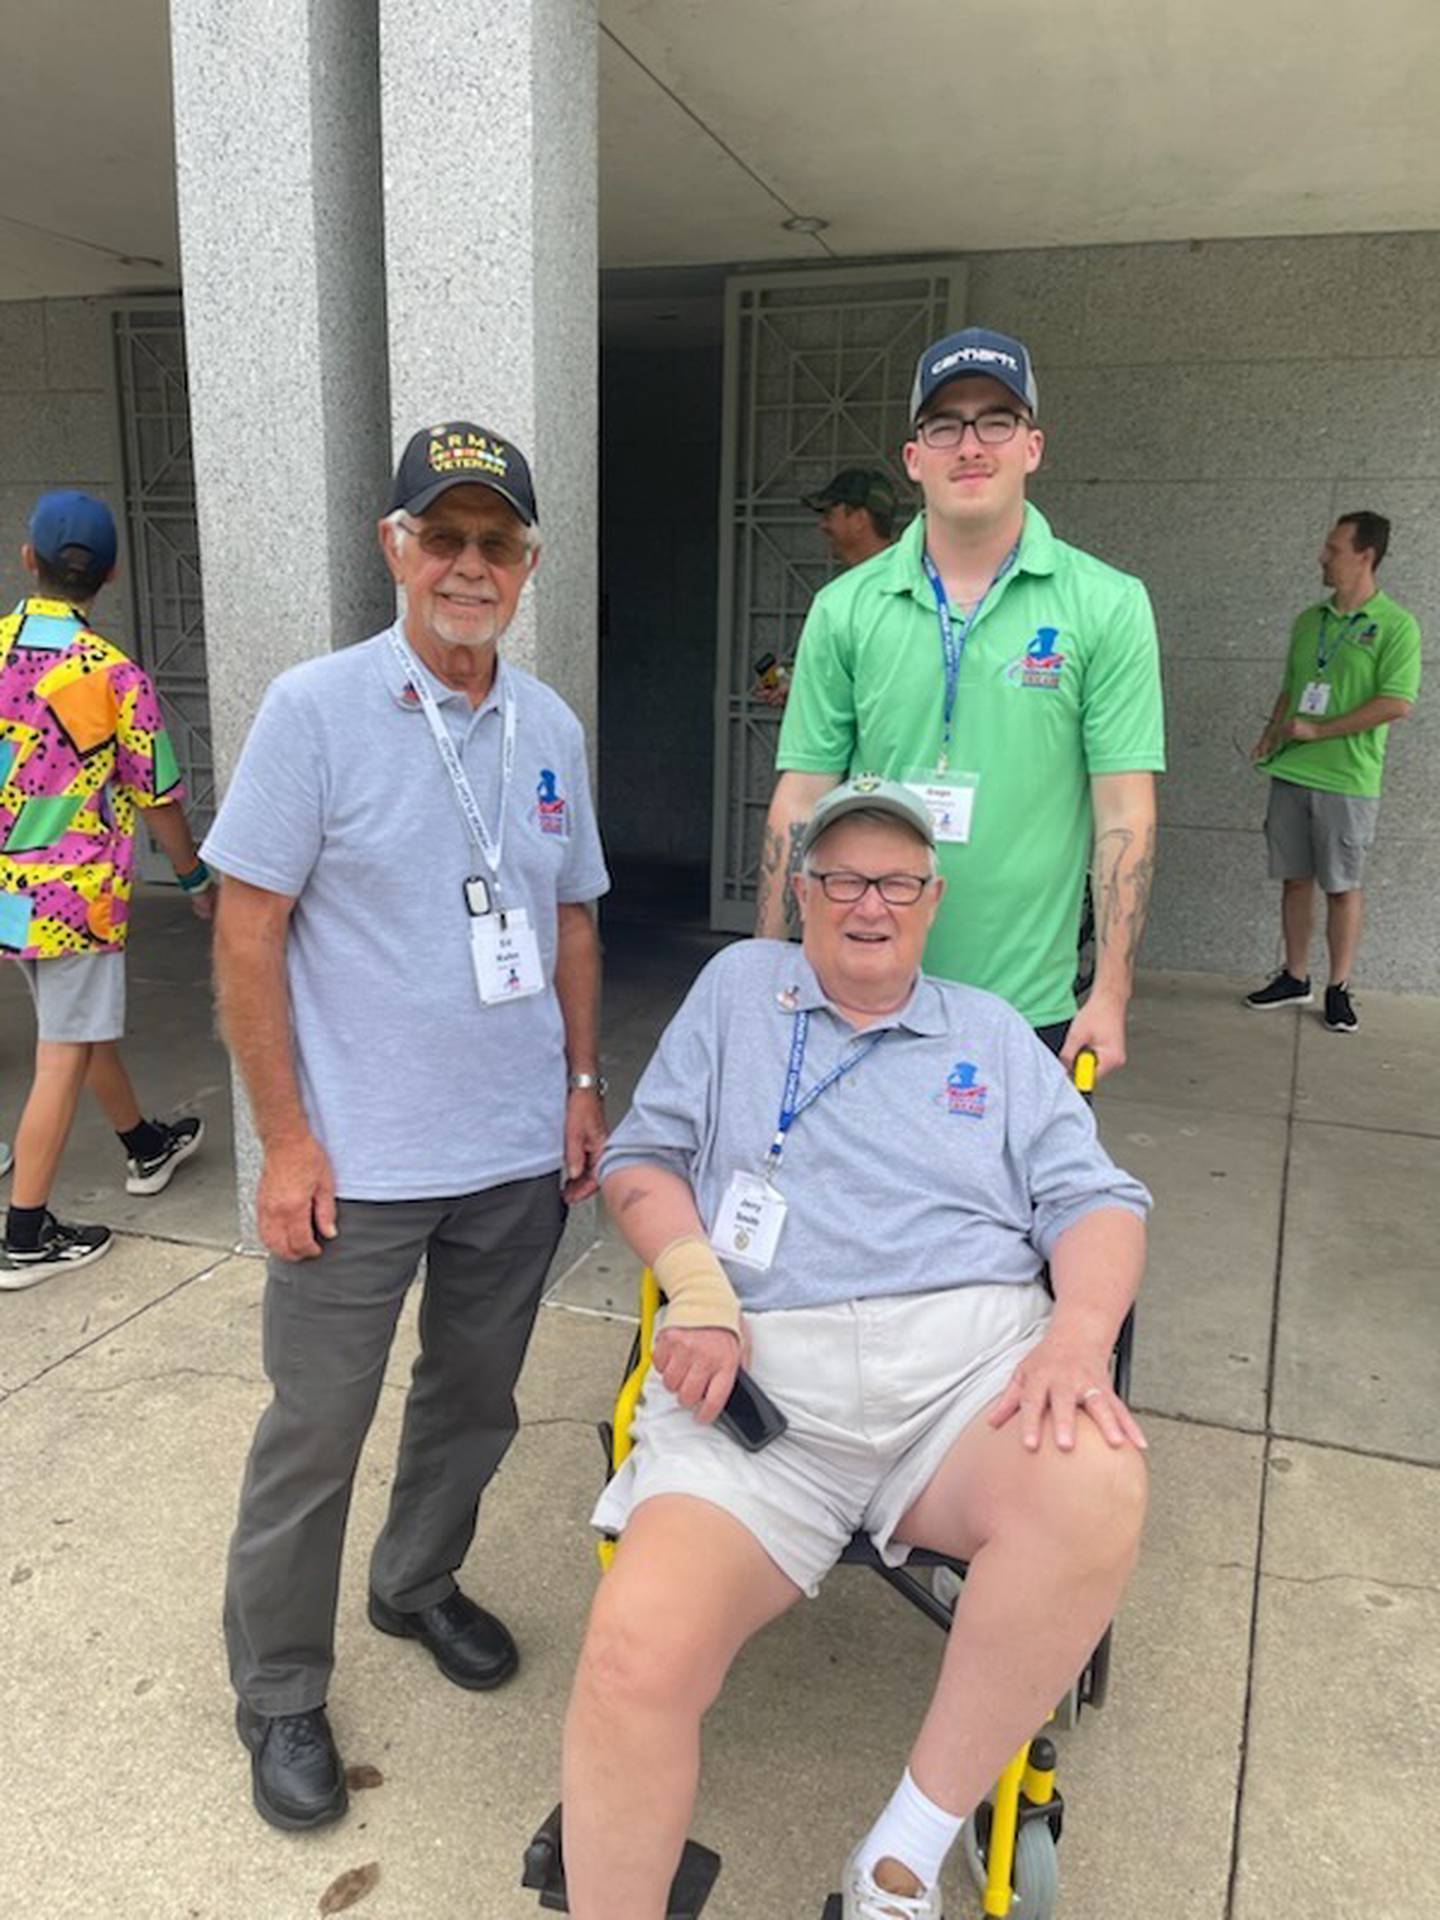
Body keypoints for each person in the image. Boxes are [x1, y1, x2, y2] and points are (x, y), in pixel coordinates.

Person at [562, 777, 1150, 1920]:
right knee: (633, 1650)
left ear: (932, 903)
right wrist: (693, 1284)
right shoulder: (738, 991)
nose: (865, 904)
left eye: (894, 882)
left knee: (1094, 1484)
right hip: (762, 1386)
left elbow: (1098, 1202)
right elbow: (642, 1160)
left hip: (965, 1384)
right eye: (838, 878)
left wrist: (1080, 1336)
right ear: (802, 891)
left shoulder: (987, 1031)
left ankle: (900, 1857)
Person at [204, 421, 610, 1833]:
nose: (468, 565)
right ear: (394, 548)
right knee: (316, 1429)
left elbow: (567, 917)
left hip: (513, 1157)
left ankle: (416, 1582)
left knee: (473, 1402)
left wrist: (579, 1085)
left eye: (496, 543)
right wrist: (285, 1140)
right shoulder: (314, 711)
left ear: (528, 566)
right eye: (442, 537)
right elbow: (246, 931)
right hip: (357, 1167)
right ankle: (279, 1690)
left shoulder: (549, 725)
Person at [756, 327, 1165, 1077]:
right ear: (914, 458)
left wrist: (1110, 992)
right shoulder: (846, 609)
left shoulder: (1107, 605)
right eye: (945, 424)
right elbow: (802, 796)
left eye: (996, 421)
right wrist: (765, 973)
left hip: (1028, 1011)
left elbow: (1123, 811)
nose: (970, 445)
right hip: (857, 997)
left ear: (1032, 446)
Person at [0, 492, 211, 1290]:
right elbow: (156, 796)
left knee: (74, 1024)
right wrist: (193, 878)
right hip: (73, 897)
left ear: (30, 560)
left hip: (7, 890)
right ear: (113, 574)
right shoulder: (112, 675)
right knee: (63, 1050)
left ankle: (144, 1145)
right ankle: (25, 1234)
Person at [1246, 512, 1421, 1033]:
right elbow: (1292, 686)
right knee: (1295, 881)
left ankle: (1338, 987)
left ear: (1364, 555)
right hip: (1293, 771)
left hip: (1347, 779)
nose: (1323, 556)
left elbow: (1396, 703)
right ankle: (1294, 977)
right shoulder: (1309, 621)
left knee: (1342, 886)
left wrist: (1321, 732)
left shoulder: (1396, 625)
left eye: (1334, 548)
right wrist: (1273, 731)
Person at [755, 469, 899, 711]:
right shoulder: (895, 580)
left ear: (860, 519)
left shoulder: (891, 592)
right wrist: (803, 687)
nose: (822, 525)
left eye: (829, 513)